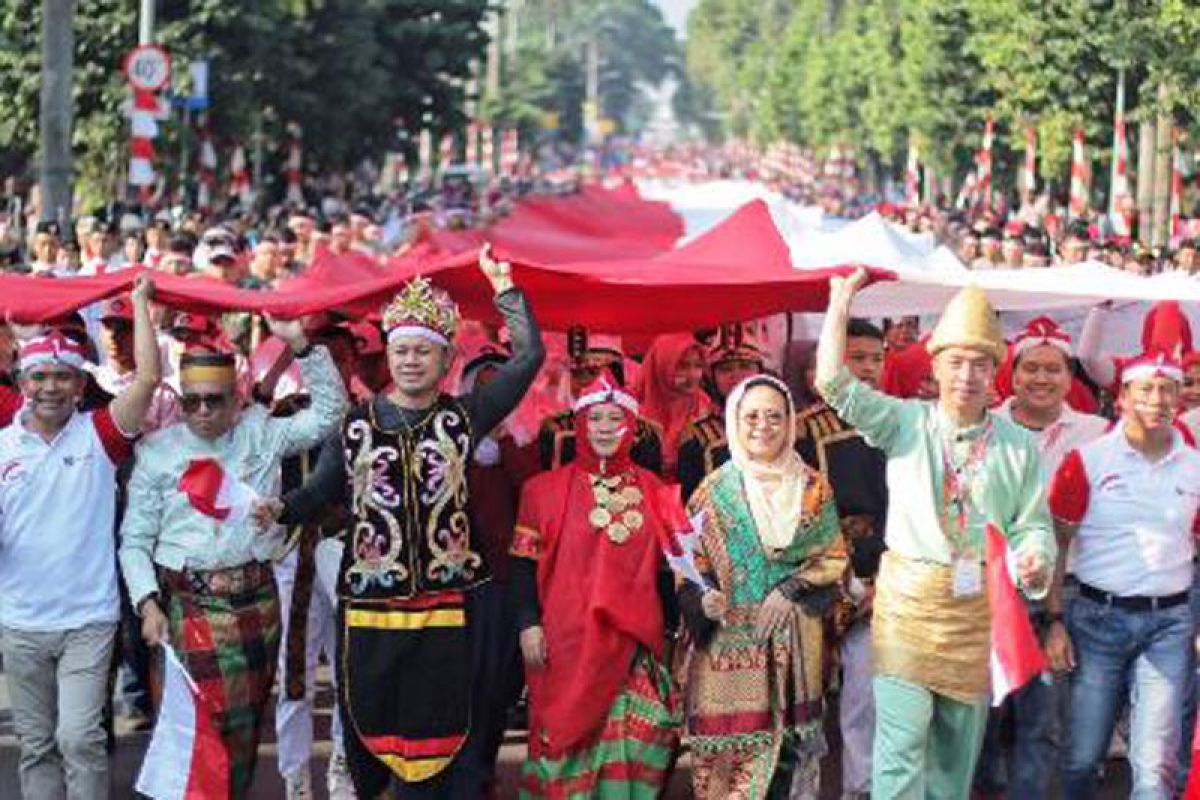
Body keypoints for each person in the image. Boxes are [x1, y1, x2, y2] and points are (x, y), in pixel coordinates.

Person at [265, 247, 545, 799]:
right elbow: (323, 491)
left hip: (447, 607)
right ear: (388, 357)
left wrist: (504, 288)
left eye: (424, 351)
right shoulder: (356, 424)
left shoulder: (463, 417)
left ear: (445, 363)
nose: (411, 361)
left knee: (449, 736)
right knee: (372, 731)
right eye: (402, 351)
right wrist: (282, 509)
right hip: (371, 609)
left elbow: (529, 356)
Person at [815, 272, 1056, 799]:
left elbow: (1032, 523)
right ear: (936, 366)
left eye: (980, 363)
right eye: (956, 361)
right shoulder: (906, 422)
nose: (967, 374)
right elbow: (833, 384)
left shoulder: (1017, 443)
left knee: (952, 759)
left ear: (996, 371)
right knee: (899, 751)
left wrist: (1034, 556)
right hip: (907, 608)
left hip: (975, 612)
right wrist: (840, 302)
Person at [119, 319, 348, 799]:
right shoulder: (158, 452)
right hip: (187, 608)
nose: (202, 411)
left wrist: (301, 344)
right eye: (191, 401)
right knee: (192, 732)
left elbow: (330, 413)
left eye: (214, 400)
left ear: (237, 398)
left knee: (243, 735)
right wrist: (147, 604)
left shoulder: (261, 433)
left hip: (255, 605)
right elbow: (134, 539)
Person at [0, 275, 159, 800]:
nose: (50, 388)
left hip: (88, 619)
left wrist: (139, 305)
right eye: (39, 377)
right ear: (23, 382)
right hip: (20, 621)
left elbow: (146, 383)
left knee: (80, 738)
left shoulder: (100, 436)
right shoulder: (3, 447)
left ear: (78, 384)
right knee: (37, 744)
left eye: (61, 378)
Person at [512, 372, 680, 797]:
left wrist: (673, 635)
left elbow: (669, 571)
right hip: (564, 639)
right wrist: (528, 622)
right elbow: (520, 567)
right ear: (580, 426)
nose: (605, 428)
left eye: (614, 419)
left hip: (634, 640)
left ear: (632, 427)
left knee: (642, 736)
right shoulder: (541, 491)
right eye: (596, 419)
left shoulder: (655, 489)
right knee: (567, 738)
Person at [681, 375, 848, 799]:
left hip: (796, 650)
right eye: (752, 415)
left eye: (775, 416)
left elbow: (832, 559)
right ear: (734, 420)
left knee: (790, 764)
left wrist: (790, 589)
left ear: (791, 421)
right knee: (729, 769)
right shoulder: (711, 492)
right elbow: (688, 567)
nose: (763, 425)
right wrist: (705, 598)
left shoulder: (814, 489)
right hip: (728, 656)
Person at [1048, 352, 1200, 800]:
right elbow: (1057, 542)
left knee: (1155, 768)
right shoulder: (1087, 460)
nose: (1157, 399)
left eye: (1168, 389)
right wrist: (1053, 619)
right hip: (1097, 619)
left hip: (1170, 624)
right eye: (1146, 390)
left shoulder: (1195, 466)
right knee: (1082, 756)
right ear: (1123, 398)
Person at [975, 317, 1107, 800]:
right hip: (993, 589)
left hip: (1063, 590)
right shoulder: (985, 425)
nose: (1042, 379)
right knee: (985, 716)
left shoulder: (1096, 432)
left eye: (1054, 369)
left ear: (1071, 378)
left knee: (1045, 719)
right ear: (1013, 372)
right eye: (1031, 367)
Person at [794, 318, 888, 800]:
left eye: (876, 358)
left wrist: (879, 577)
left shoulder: (898, 421)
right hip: (814, 581)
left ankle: (860, 789)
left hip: (882, 581)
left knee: (864, 699)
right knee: (804, 699)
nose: (869, 369)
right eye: (858, 358)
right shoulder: (802, 430)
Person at [536, 326, 663, 474]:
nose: (601, 378)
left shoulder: (644, 431)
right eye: (584, 371)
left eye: (611, 369)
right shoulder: (557, 428)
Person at [677, 323, 765, 501]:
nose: (736, 375)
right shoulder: (697, 437)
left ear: (760, 372)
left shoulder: (784, 426)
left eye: (745, 366)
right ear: (712, 378)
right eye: (725, 369)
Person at [634, 333, 712, 479]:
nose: (693, 375)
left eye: (698, 366)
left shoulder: (706, 409)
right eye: (682, 366)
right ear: (661, 365)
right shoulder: (631, 415)